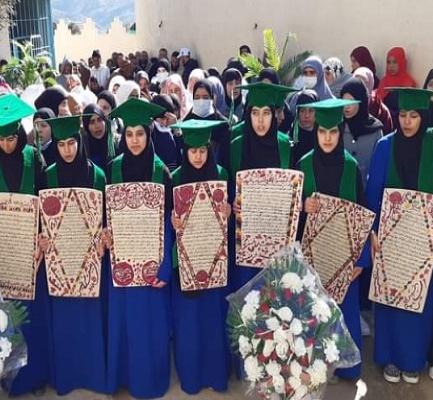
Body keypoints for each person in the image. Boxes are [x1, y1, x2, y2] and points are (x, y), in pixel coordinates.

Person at [0, 95, 50, 396]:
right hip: (1, 255)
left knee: (32, 318)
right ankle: (7, 378)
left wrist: (42, 239)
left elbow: (45, 203)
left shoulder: (35, 158)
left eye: (12, 138)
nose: (7, 145)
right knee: (2, 315)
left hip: (31, 257)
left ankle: (35, 376)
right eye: (2, 139)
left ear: (20, 133)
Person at [101, 99, 173, 398]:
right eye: (129, 134)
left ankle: (149, 381)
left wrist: (165, 268)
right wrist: (105, 234)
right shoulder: (113, 169)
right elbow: (105, 218)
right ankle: (122, 378)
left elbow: (170, 225)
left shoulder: (162, 172)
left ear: (149, 133)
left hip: (152, 266)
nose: (134, 140)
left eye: (140, 134)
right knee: (124, 323)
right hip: (122, 264)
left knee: (150, 326)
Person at [363, 88, 433, 384]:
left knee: (420, 302)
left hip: (424, 240)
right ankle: (390, 358)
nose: (407, 122)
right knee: (391, 300)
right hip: (390, 238)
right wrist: (372, 231)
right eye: (403, 115)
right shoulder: (385, 146)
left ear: (424, 117)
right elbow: (373, 192)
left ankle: (413, 361)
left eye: (414, 116)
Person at [296, 98, 368, 380]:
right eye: (322, 131)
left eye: (333, 131)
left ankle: (346, 368)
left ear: (340, 132)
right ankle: (316, 368)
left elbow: (363, 214)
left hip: (344, 259)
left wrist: (361, 260)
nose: (327, 138)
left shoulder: (351, 167)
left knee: (343, 312)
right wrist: (303, 205)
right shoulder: (303, 164)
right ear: (316, 132)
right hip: (312, 257)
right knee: (313, 312)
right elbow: (290, 213)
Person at [39, 115, 108, 395]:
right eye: (61, 144)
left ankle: (94, 376)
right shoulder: (48, 176)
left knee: (90, 320)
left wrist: (103, 237)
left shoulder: (98, 175)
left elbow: (105, 218)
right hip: (61, 264)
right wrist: (43, 238)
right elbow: (42, 219)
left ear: (80, 142)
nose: (67, 150)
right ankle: (66, 377)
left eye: (71, 143)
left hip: (90, 264)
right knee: (65, 323)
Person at [169, 119, 232, 394]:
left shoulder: (222, 175)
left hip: (215, 259)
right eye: (192, 151)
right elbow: (168, 219)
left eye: (202, 150)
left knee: (213, 321)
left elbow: (231, 217)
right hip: (186, 263)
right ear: (185, 151)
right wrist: (173, 220)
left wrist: (229, 212)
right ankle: (191, 378)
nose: (197, 156)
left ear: (210, 149)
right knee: (189, 325)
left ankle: (216, 376)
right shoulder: (175, 178)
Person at [229, 82, 297, 288]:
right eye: (255, 113)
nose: (260, 120)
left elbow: (294, 187)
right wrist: (232, 201)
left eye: (266, 113)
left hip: (276, 236)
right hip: (245, 238)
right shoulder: (236, 146)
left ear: (274, 115)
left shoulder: (284, 145)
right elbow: (229, 185)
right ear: (248, 115)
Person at [341, 77, 384, 186]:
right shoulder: (337, 127)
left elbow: (379, 167)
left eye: (352, 101)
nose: (346, 106)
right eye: (344, 101)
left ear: (362, 101)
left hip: (365, 190)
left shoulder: (375, 130)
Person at [183, 79, 231, 170]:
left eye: (205, 97)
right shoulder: (186, 124)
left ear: (212, 98)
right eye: (197, 97)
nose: (201, 101)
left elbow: (226, 156)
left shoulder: (223, 125)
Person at [376, 47, 417, 117]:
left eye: (395, 62)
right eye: (388, 62)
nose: (391, 66)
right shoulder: (384, 81)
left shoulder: (409, 82)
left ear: (401, 62)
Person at [353, 67, 394, 135]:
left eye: (364, 82)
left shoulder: (380, 108)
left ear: (370, 83)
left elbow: (388, 133)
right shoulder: (348, 106)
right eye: (356, 81)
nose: (360, 85)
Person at [82, 103, 118, 170]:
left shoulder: (115, 142)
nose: (97, 126)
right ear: (87, 126)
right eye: (92, 122)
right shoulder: (83, 147)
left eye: (100, 119)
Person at [151, 94, 182, 171]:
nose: (164, 122)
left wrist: (177, 131)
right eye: (161, 119)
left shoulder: (176, 133)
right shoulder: (151, 134)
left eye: (168, 119)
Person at [289, 89, 319, 164]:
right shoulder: (291, 137)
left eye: (311, 111)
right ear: (298, 112)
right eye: (302, 110)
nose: (307, 115)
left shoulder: (322, 136)